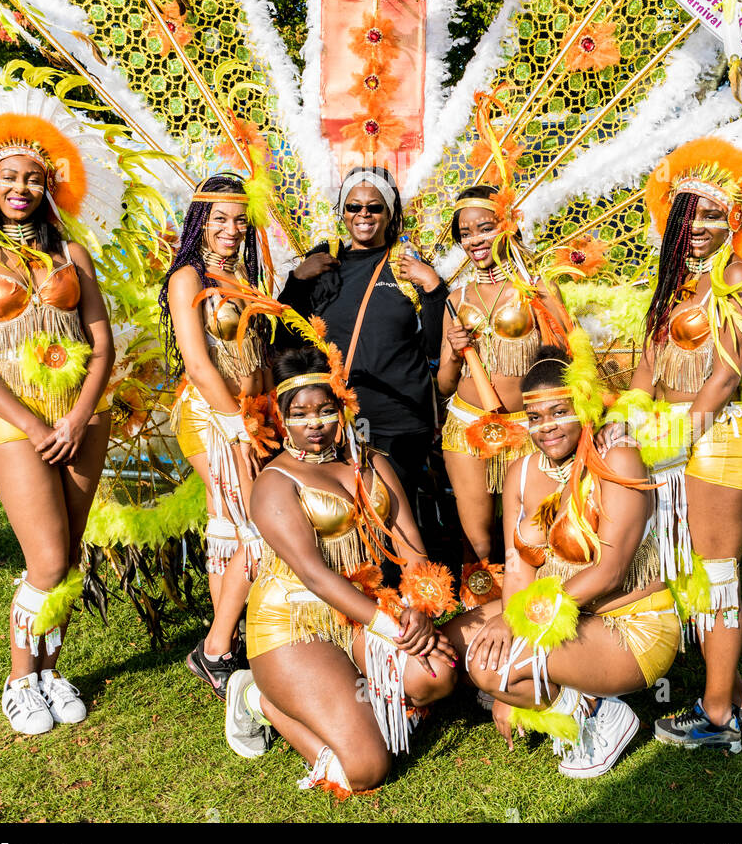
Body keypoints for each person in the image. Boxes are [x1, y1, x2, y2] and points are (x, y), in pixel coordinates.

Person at [0, 83, 117, 735]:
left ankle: (51, 670)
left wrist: (75, 419)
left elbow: (101, 344)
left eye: (35, 179)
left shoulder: (72, 254)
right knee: (44, 560)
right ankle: (20, 680)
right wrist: (39, 424)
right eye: (10, 176)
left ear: (50, 189)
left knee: (67, 557)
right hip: (17, 425)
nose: (22, 187)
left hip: (83, 419)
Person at [225, 345, 458, 797]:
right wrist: (394, 628)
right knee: (367, 770)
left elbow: (410, 544)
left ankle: (366, 707)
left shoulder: (373, 462)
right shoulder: (275, 482)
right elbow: (315, 576)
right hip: (294, 624)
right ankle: (256, 696)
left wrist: (419, 608)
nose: (314, 424)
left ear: (343, 408)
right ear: (281, 417)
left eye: (325, 410)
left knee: (436, 675)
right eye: (300, 414)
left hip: (360, 612)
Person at [445, 335, 680, 778]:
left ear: (584, 406)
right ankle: (571, 691)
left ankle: (596, 713)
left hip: (627, 626)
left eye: (559, 411)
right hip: (560, 612)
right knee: (461, 648)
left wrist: (520, 621)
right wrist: (514, 618)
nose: (546, 426)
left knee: (489, 666)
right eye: (534, 416)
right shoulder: (521, 472)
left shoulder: (619, 458)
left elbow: (609, 572)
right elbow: (520, 563)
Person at [606, 137, 742, 752]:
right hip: (673, 446)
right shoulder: (672, 287)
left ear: (733, 220)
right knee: (691, 578)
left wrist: (680, 439)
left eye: (711, 215)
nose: (698, 227)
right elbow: (647, 375)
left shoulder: (737, 280)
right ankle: (739, 696)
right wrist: (627, 423)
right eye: (688, 215)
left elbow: (724, 376)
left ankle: (718, 715)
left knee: (720, 579)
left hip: (716, 445)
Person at [160, 172, 272, 698]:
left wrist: (268, 413)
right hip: (214, 420)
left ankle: (228, 644)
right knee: (258, 527)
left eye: (239, 219)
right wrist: (238, 428)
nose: (231, 228)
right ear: (200, 222)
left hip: (250, 417)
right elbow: (200, 366)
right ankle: (214, 649)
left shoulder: (243, 275)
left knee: (229, 530)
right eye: (220, 218)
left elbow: (257, 354)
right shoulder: (189, 278)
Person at [278, 165, 447, 502]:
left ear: (390, 213)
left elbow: (433, 346)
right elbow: (284, 341)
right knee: (343, 517)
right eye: (354, 206)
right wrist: (297, 281)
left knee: (395, 514)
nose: (364, 215)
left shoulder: (405, 265)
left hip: (399, 422)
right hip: (332, 419)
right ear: (343, 211)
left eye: (375, 207)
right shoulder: (324, 262)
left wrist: (432, 287)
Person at [437, 183, 569, 583]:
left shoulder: (538, 291)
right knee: (476, 541)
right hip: (467, 425)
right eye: (465, 233)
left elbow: (566, 364)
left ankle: (526, 614)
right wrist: (453, 353)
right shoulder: (456, 298)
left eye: (484, 227)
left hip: (528, 429)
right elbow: (444, 384)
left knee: (529, 533)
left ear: (507, 225)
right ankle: (476, 623)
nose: (474, 240)